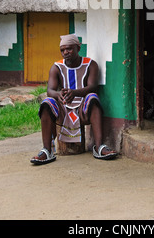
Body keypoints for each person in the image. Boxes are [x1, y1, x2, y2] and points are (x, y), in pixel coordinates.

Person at [30, 34, 118, 164]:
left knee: (92, 97)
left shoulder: (90, 64)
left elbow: (93, 87)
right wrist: (58, 94)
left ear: (78, 48)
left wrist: (75, 93)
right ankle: (47, 150)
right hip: (63, 111)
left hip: (83, 110)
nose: (65, 52)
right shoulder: (56, 67)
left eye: (69, 49)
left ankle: (99, 146)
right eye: (62, 50)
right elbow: (50, 91)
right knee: (47, 103)